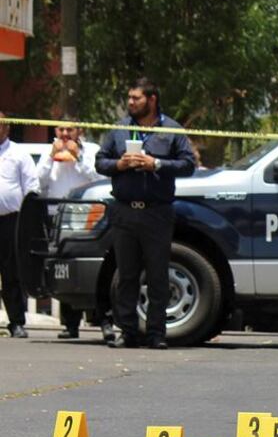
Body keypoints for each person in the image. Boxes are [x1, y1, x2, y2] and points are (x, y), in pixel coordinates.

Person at [96, 78, 196, 350]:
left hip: (157, 213)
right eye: (129, 98)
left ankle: (156, 334)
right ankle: (126, 331)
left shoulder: (172, 129)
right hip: (125, 212)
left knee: (157, 275)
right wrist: (119, 163)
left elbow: (189, 164)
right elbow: (100, 162)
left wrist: (157, 164)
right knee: (127, 275)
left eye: (136, 98)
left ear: (152, 100)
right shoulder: (119, 128)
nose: (130, 103)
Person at [36, 118, 103, 338]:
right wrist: (49, 157)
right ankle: (70, 324)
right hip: (58, 216)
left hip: (88, 215)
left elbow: (98, 177)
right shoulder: (51, 152)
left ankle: (101, 320)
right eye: (61, 129)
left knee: (89, 266)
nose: (65, 134)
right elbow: (39, 181)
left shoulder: (92, 150)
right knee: (62, 266)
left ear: (79, 131)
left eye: (70, 129)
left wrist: (79, 157)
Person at [0, 112, 39, 338]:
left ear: (6, 128)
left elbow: (31, 187)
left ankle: (16, 322)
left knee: (11, 272)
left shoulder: (18, 153)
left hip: (10, 221)